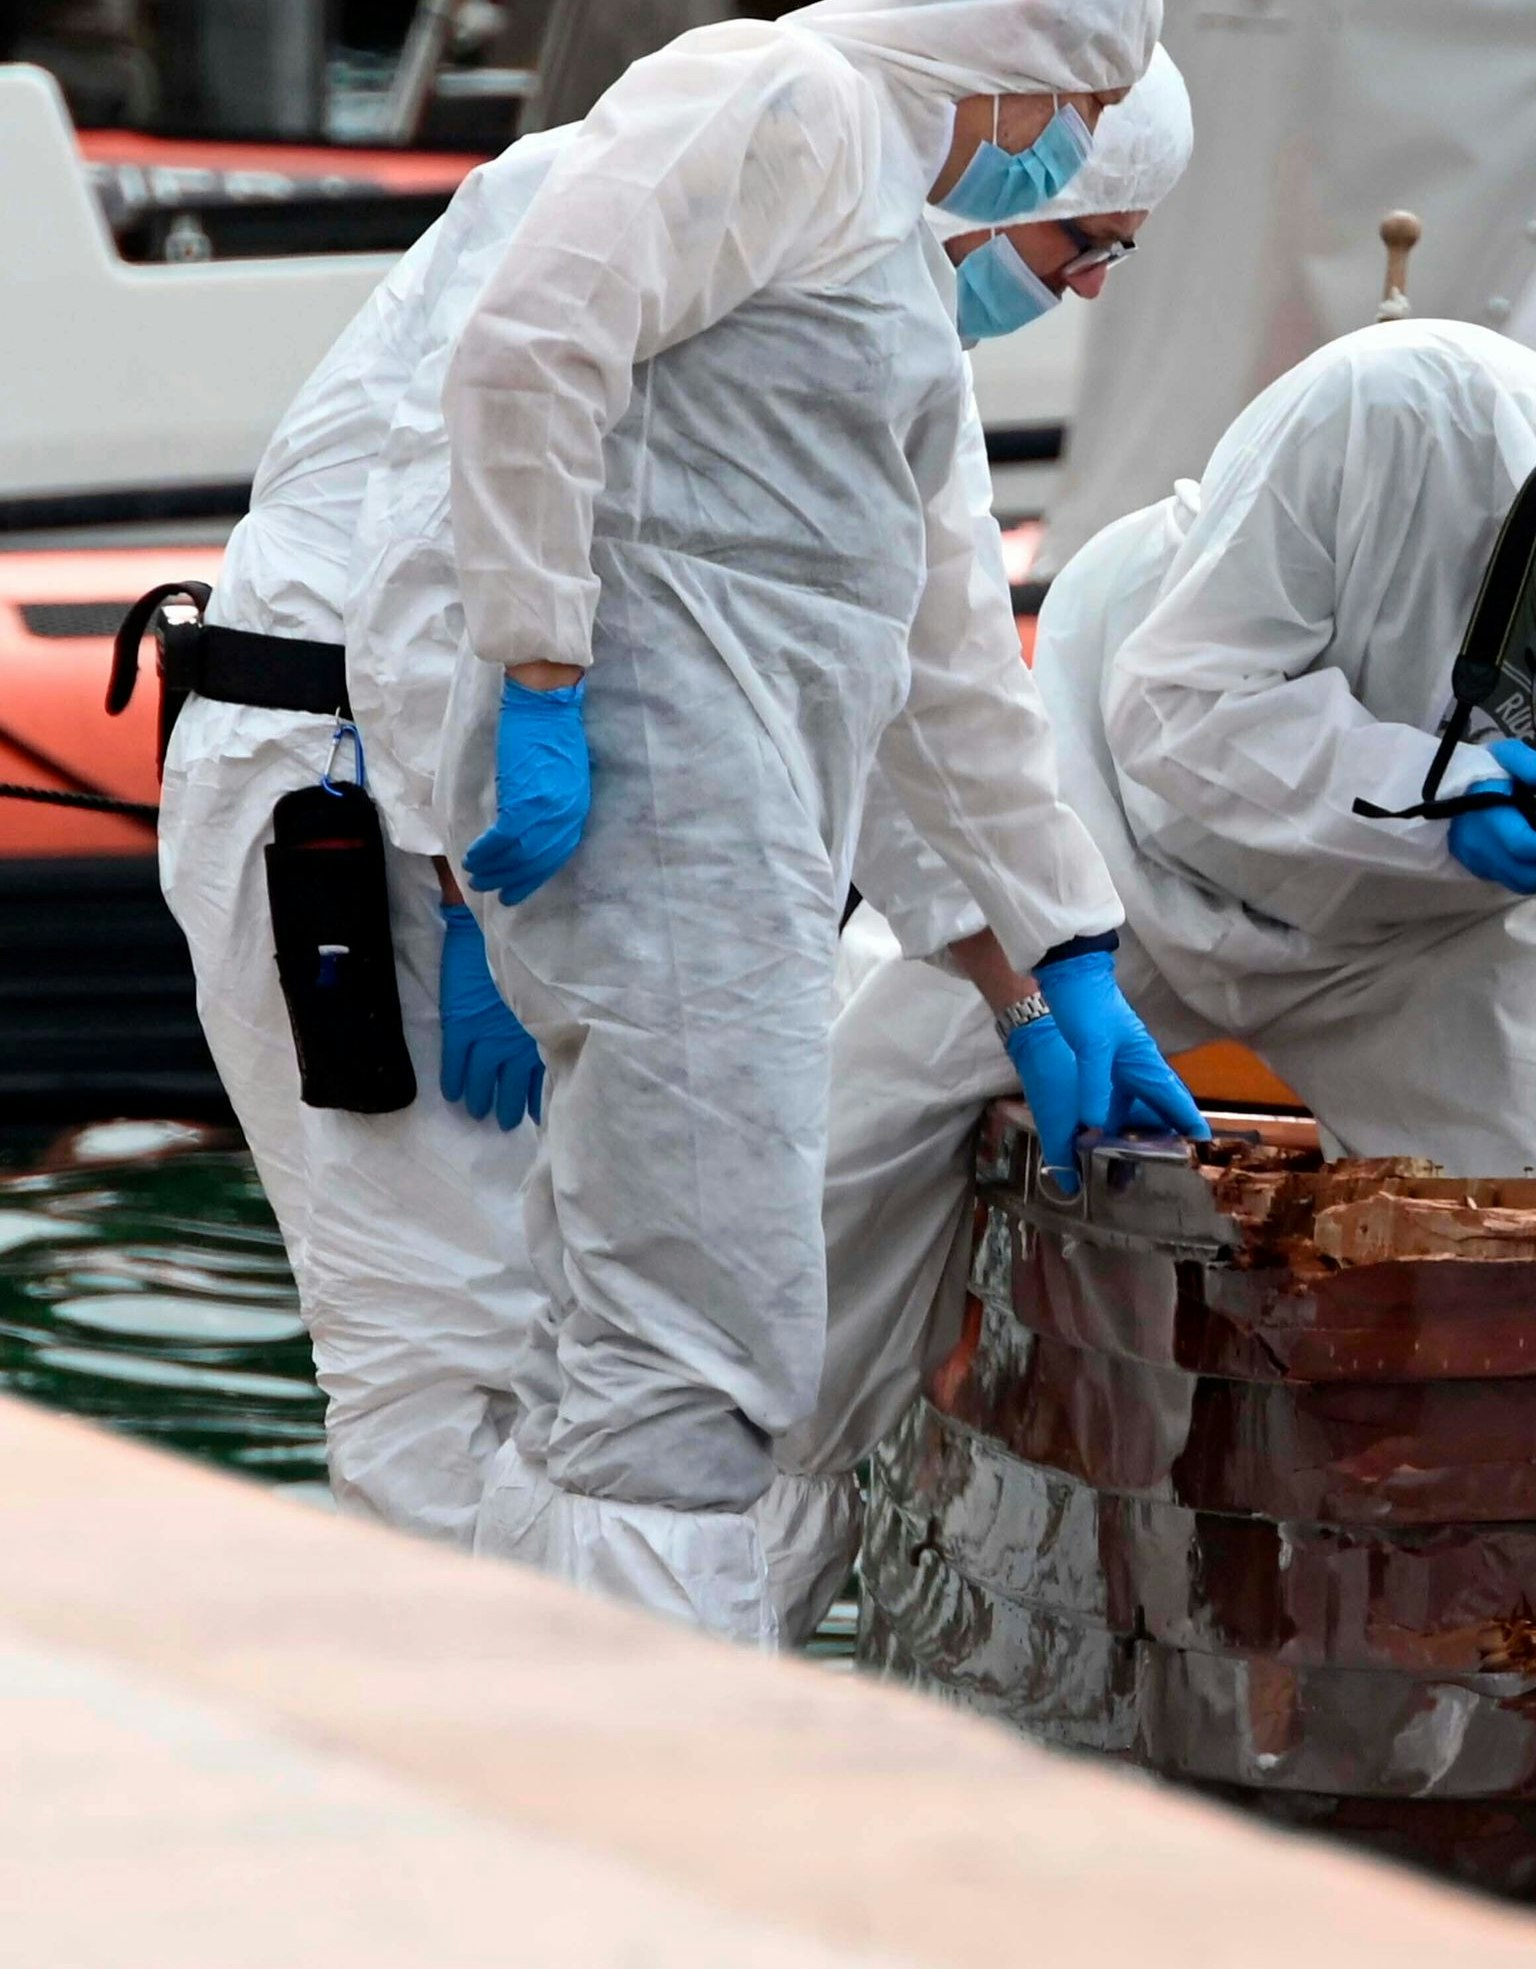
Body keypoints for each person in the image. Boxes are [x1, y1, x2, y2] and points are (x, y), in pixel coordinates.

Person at [152, 22, 1194, 1571]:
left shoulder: (873, 301)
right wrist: (464, 870)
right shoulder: (648, 179)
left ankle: (542, 1743)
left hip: (515, 814)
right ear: (1001, 96)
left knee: (579, 1359)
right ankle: (447, 1772)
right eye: (1082, 235)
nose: (1085, 284)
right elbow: (439, 538)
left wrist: (1047, 972)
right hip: (364, 792)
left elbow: (910, 669)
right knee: (445, 1356)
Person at [781, 320, 1536, 1484]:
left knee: (1512, 1303)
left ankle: (1459, 1614)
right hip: (1107, 859)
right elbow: (1180, 709)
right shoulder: (1390, 414)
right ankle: (718, 1557)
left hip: (1422, 950)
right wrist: (1438, 797)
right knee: (842, 1164)